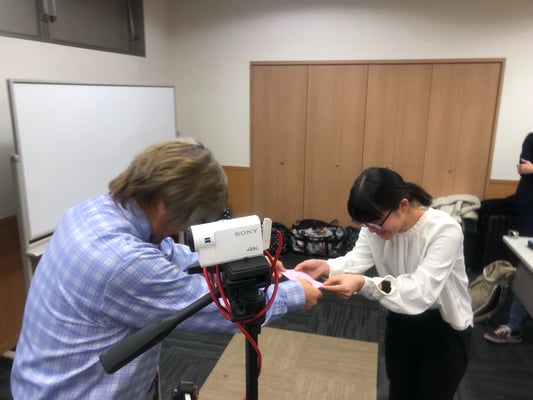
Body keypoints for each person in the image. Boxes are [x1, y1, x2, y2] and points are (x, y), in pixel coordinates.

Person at [10, 137, 322, 399]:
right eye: (190, 218)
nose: (184, 228)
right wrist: (296, 294)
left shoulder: (97, 210)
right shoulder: (123, 262)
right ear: (166, 205)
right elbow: (218, 309)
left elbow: (170, 255)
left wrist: (243, 262)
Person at [292, 167, 473, 400]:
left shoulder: (444, 230)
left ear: (403, 206)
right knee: (398, 391)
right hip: (401, 320)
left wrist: (364, 284)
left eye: (377, 223)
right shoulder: (373, 227)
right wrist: (325, 267)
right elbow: (357, 258)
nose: (372, 231)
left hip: (445, 328)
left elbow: (420, 292)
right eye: (366, 225)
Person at [484, 132, 533, 344]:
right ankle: (513, 323)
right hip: (528, 207)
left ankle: (514, 323)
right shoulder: (531, 139)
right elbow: (524, 167)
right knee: (523, 266)